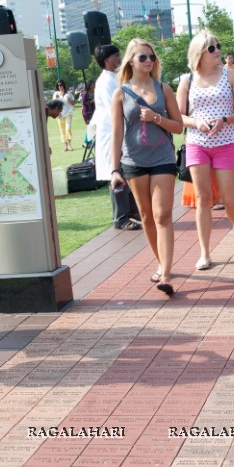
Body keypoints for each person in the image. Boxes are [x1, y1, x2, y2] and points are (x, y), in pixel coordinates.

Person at [109, 39, 184, 295]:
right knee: (146, 216)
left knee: (163, 215)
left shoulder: (164, 89)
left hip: (162, 158)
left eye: (151, 56)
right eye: (143, 57)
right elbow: (116, 134)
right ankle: (161, 262)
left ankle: (165, 273)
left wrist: (156, 118)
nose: (149, 61)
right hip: (133, 162)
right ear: (131, 61)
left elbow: (178, 126)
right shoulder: (121, 93)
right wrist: (114, 169)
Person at [178, 32, 234, 269]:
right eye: (211, 48)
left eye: (218, 46)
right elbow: (179, 116)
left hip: (225, 142)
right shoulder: (186, 80)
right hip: (197, 143)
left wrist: (225, 119)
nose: (217, 51)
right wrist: (195, 122)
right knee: (203, 198)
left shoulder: (231, 75)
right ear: (199, 52)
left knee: (230, 199)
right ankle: (205, 253)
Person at [89, 44, 141, 231]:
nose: (119, 59)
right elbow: (117, 108)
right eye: (116, 56)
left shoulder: (114, 78)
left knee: (126, 170)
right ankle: (120, 217)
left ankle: (132, 211)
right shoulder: (106, 81)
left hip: (119, 130)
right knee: (116, 172)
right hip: (112, 131)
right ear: (106, 60)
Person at [55, 80, 75, 151]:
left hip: (68, 113)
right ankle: (66, 146)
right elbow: (53, 105)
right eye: (58, 85)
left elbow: (73, 103)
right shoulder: (56, 94)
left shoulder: (68, 94)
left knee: (68, 128)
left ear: (64, 85)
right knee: (62, 131)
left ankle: (69, 145)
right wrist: (56, 99)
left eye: (61, 85)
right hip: (60, 115)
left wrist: (69, 100)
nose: (60, 87)